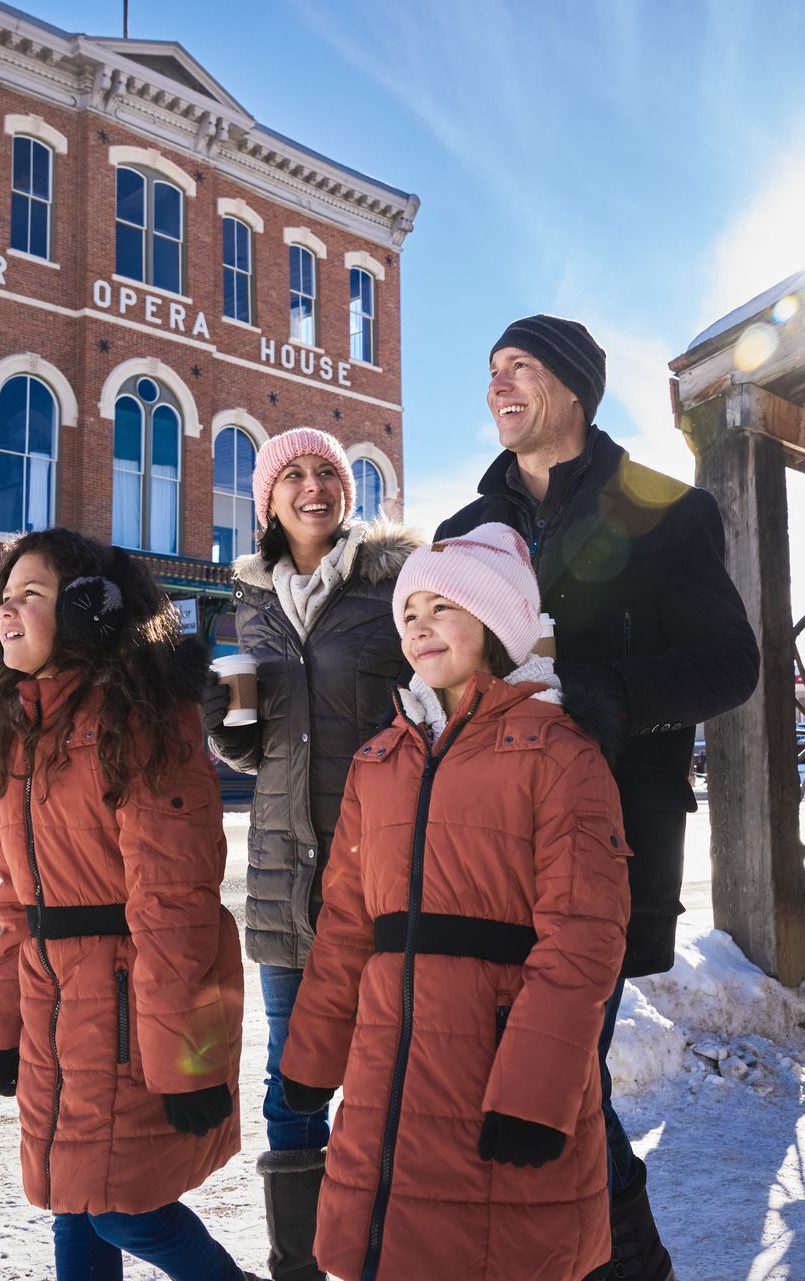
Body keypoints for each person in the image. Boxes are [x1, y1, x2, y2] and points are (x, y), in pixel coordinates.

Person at [437, 315, 761, 1280]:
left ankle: (625, 1265)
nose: (498, 386)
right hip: (483, 846)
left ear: (575, 387)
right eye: (490, 370)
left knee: (563, 1073)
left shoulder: (665, 510)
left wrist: (609, 693)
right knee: (514, 1080)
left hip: (604, 842)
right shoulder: (465, 533)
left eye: (520, 368)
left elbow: (730, 663)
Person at [278, 524, 630, 1281]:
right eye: (410, 612)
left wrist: (537, 1087)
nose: (420, 625)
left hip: (495, 1076)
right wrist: (309, 1056)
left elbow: (583, 938)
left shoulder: (562, 755)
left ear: (499, 626)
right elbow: (345, 926)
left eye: (444, 607)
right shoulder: (379, 762)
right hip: (385, 1076)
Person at [0, 528, 256, 1281]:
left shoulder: (140, 720)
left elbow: (175, 901)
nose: (7, 612)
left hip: (128, 1014)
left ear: (91, 611)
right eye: (3, 598)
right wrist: (4, 1028)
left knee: (120, 1201)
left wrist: (188, 1062)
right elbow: (16, 904)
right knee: (73, 1194)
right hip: (54, 1006)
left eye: (32, 594)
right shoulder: (20, 729)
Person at [202, 427, 422, 1281]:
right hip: (281, 880)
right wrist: (228, 713)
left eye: (325, 470)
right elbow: (251, 753)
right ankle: (298, 1266)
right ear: (268, 500)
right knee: (291, 1081)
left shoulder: (391, 586)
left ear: (346, 491)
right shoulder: (248, 602)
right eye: (291, 474)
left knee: (383, 1076)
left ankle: (381, 1255)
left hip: (376, 876)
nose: (311, 485)